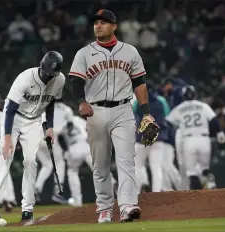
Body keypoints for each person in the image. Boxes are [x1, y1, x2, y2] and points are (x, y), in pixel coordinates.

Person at [68, 9, 159, 223]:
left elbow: (139, 83)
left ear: (114, 26)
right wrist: (81, 102)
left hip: (123, 110)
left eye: (103, 22)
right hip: (95, 111)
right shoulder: (84, 53)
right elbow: (76, 82)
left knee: (126, 160)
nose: (98, 26)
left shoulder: (130, 52)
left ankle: (128, 206)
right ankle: (105, 208)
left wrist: (146, 112)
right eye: (96, 23)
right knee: (100, 165)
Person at [0, 51, 65, 226]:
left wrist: (49, 126)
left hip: (34, 121)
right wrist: (7, 138)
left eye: (53, 74)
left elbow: (51, 102)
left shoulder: (60, 79)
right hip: (15, 117)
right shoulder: (25, 78)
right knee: (6, 157)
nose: (50, 77)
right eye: (48, 72)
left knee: (30, 161)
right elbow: (10, 109)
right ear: (42, 67)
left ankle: (27, 210)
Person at [166, 85, 225, 190]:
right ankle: (210, 184)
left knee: (192, 172)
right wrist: (220, 133)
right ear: (195, 95)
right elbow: (214, 120)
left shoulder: (179, 108)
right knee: (205, 168)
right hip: (204, 139)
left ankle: (198, 198)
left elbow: (168, 123)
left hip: (189, 140)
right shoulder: (203, 106)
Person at [59, 116, 118, 207]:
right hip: (86, 146)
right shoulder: (77, 119)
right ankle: (113, 183)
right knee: (98, 168)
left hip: (72, 148)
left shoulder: (60, 122)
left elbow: (60, 138)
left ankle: (77, 200)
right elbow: (91, 129)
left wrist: (65, 150)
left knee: (72, 172)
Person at [133, 83, 181, 193]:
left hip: (143, 137)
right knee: (156, 167)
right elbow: (167, 117)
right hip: (158, 137)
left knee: (137, 165)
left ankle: (142, 185)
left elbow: (133, 116)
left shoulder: (137, 102)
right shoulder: (160, 102)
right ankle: (157, 192)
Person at [35, 100, 73, 204]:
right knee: (59, 163)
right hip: (52, 136)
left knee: (47, 165)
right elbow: (70, 126)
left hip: (37, 138)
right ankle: (58, 192)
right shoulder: (66, 109)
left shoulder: (43, 106)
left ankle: (37, 188)